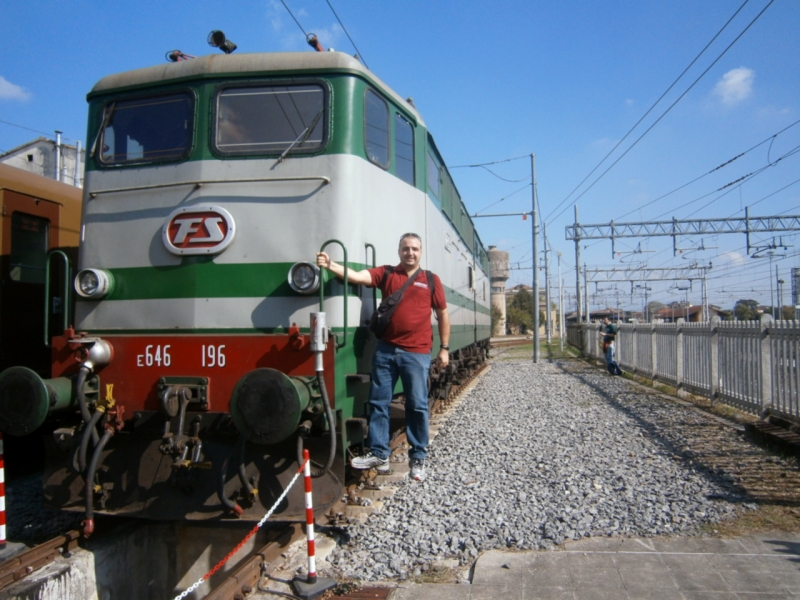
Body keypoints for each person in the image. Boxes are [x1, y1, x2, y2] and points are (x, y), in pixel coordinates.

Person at [316, 233, 450, 482]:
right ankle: (379, 453)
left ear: (421, 252)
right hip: (386, 350)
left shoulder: (430, 279)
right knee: (379, 402)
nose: (410, 253)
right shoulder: (387, 274)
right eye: (405, 249)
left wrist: (444, 347)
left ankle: (418, 456)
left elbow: (442, 314)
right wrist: (330, 264)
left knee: (418, 405)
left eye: (414, 249)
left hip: (417, 352)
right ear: (399, 251)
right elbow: (357, 276)